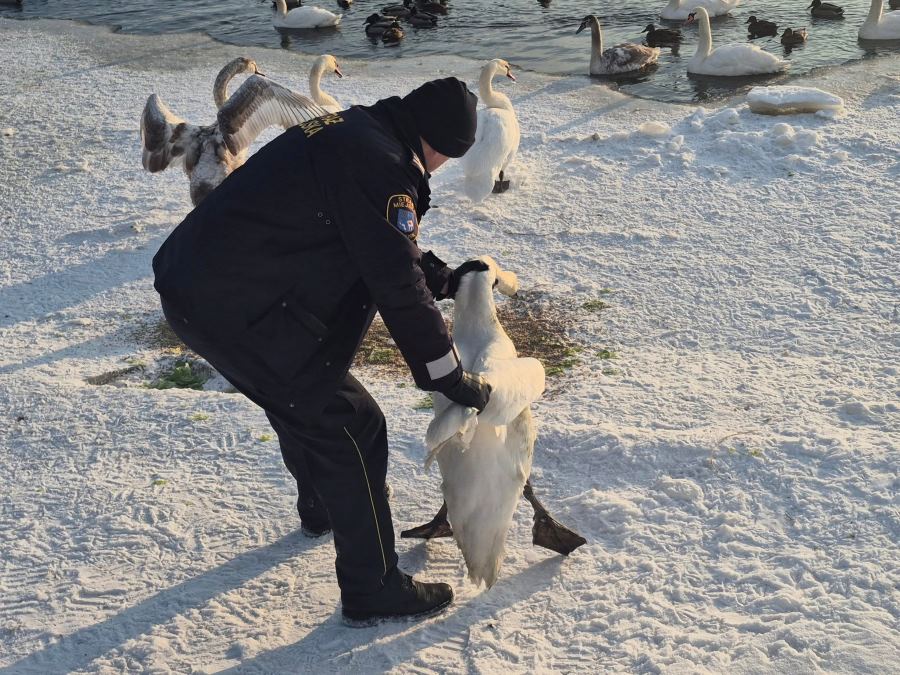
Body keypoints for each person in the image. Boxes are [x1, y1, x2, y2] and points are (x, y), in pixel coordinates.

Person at [152, 77, 492, 626]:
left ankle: (322, 506)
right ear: (434, 142)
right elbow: (396, 284)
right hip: (233, 305)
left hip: (201, 286)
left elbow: (377, 243)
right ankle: (373, 587)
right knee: (352, 425)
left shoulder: (359, 131)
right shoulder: (383, 166)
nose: (440, 168)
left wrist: (443, 278)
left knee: (302, 398)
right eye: (447, 156)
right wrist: (449, 376)